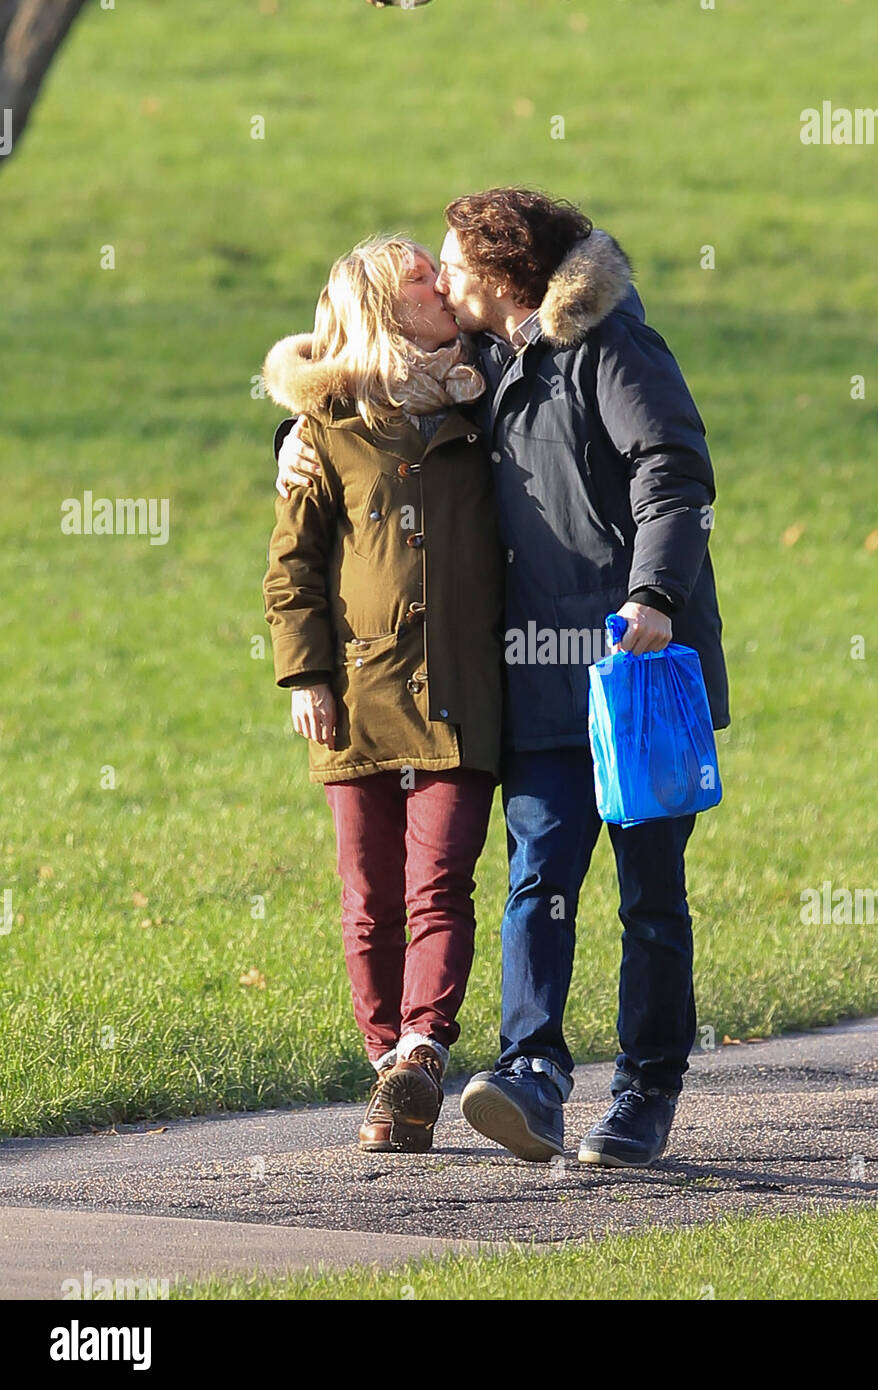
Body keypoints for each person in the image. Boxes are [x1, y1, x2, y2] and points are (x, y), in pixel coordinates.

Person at [277, 191, 730, 1168]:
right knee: (538, 879)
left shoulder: (608, 346)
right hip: (535, 681)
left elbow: (673, 469)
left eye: (450, 269)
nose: (438, 281)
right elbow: (362, 385)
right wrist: (295, 428)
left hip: (639, 669)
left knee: (650, 896)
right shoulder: (482, 365)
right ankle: (532, 1073)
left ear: (498, 280)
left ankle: (645, 1095)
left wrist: (653, 596)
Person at [262, 235, 504, 1153]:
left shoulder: (486, 403)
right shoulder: (322, 431)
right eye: (419, 280)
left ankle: (420, 1053)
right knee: (369, 894)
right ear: (381, 306)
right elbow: (292, 570)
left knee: (441, 882)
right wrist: (304, 674)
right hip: (356, 691)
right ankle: (387, 1072)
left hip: (463, 691)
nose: (441, 287)